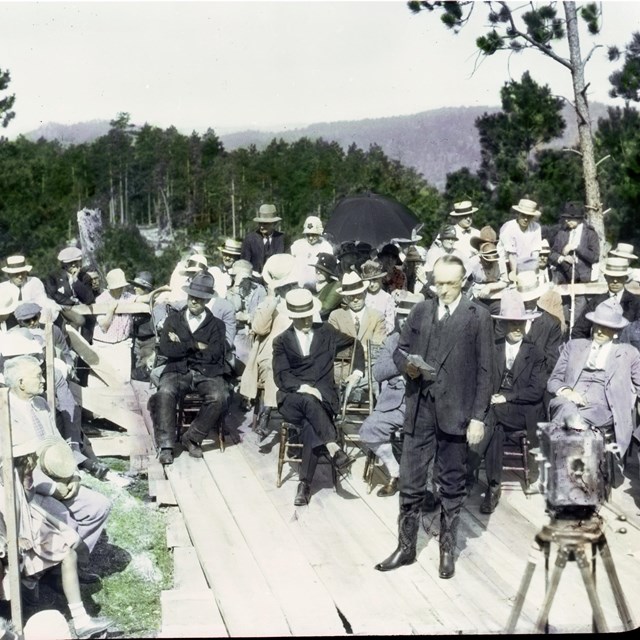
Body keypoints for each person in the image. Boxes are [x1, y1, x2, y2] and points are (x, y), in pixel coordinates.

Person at [375, 255, 493, 579]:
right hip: (419, 410)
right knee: (411, 481)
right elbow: (399, 349)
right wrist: (407, 366)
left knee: (452, 484)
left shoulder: (478, 317)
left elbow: (487, 371)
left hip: (457, 414)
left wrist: (479, 417)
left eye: (449, 284)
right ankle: (406, 547)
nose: (442, 290)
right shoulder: (421, 310)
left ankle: (446, 550)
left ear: (463, 283)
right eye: (437, 283)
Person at [4, 355, 112, 575]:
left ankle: (69, 569)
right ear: (21, 382)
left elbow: (59, 444)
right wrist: (54, 488)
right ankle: (54, 567)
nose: (44, 380)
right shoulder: (4, 412)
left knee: (99, 506)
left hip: (58, 477)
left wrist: (73, 475)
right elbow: (20, 466)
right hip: (26, 489)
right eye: (38, 376)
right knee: (64, 516)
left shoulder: (40, 404)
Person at [0, 432, 113, 639]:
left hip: (23, 517)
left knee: (67, 552)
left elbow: (24, 498)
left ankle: (81, 621)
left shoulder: (18, 465)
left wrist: (26, 477)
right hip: (4, 527)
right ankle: (5, 624)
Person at [272, 288, 364, 506]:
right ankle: (333, 447)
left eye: (308, 316)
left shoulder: (327, 332)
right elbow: (281, 376)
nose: (306, 321)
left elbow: (355, 344)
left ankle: (304, 485)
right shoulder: (282, 341)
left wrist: (357, 372)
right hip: (293, 398)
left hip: (324, 399)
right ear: (292, 316)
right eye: (301, 317)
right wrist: (303, 387)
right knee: (308, 400)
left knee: (311, 424)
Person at [470, 290, 547, 513]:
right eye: (512, 323)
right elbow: (481, 377)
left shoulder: (535, 353)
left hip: (523, 410)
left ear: (526, 325)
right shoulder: (493, 348)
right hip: (495, 406)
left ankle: (469, 467)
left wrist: (507, 397)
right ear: (502, 325)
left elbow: (536, 390)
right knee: (496, 431)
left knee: (490, 418)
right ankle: (493, 488)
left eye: (520, 324)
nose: (516, 328)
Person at [547, 297, 640, 475]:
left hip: (603, 407)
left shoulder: (628, 354)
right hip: (568, 401)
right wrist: (567, 391)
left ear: (616, 330)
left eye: (606, 326)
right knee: (569, 409)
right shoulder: (574, 346)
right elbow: (554, 380)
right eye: (597, 325)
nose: (600, 330)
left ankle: (558, 452)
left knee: (571, 417)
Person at [150, 272, 229, 465]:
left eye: (200, 299)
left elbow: (215, 354)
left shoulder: (217, 325)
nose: (195, 301)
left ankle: (192, 437)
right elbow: (167, 349)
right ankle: (167, 445)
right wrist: (195, 345)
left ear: (206, 301)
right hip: (177, 369)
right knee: (165, 392)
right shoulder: (173, 320)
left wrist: (183, 344)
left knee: (220, 396)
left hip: (206, 372)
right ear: (187, 296)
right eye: (192, 296)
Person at [358, 291, 422, 498]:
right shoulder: (392, 340)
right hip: (393, 404)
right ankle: (395, 473)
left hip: (422, 404)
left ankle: (424, 484)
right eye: (401, 316)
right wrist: (403, 363)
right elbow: (378, 372)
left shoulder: (431, 340)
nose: (405, 322)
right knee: (368, 429)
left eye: (409, 317)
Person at [239, 254, 299, 440]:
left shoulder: (302, 298)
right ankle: (265, 415)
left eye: (288, 285)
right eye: (282, 286)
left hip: (298, 353)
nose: (286, 289)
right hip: (271, 353)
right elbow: (258, 328)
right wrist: (272, 300)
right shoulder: (270, 303)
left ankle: (292, 423)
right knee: (275, 366)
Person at [328, 271, 386, 387]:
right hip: (341, 369)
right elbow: (332, 347)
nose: (355, 300)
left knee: (378, 382)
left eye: (358, 295)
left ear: (365, 293)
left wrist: (350, 351)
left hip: (369, 369)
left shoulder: (377, 316)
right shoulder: (336, 316)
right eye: (350, 296)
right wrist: (362, 348)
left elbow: (377, 350)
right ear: (344, 298)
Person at [571, 256, 640, 339]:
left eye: (619, 277)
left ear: (626, 278)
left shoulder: (636, 303)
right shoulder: (596, 301)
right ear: (606, 278)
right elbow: (578, 330)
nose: (615, 281)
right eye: (612, 277)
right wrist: (589, 348)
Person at [91, 268, 136, 385]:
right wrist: (110, 310)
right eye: (118, 286)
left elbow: (142, 299)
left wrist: (159, 293)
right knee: (102, 380)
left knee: (123, 380)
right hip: (104, 345)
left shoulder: (126, 296)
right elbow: (104, 326)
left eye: (122, 286)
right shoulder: (102, 299)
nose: (121, 288)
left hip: (121, 344)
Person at [44, 247, 93, 338]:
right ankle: (66, 341)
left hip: (82, 310)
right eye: (70, 263)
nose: (74, 265)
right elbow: (53, 294)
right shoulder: (53, 276)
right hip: (61, 307)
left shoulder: (85, 277)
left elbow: (89, 299)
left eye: (76, 262)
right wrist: (72, 303)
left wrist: (76, 281)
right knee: (79, 320)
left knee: (85, 322)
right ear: (64, 264)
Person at [548, 201, 600, 285]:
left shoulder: (590, 234)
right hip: (563, 280)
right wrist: (562, 258)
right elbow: (551, 254)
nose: (566, 220)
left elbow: (594, 257)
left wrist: (576, 247)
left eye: (570, 218)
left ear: (579, 218)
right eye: (565, 218)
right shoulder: (562, 233)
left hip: (583, 280)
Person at [0, 255, 59, 325]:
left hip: (34, 318)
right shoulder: (3, 287)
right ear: (9, 274)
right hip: (12, 322)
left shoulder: (34, 282)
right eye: (16, 274)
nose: (20, 276)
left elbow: (42, 302)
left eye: (22, 272)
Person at [498, 198, 543, 278]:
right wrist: (515, 276)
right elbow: (512, 255)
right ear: (518, 214)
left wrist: (532, 274)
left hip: (526, 265)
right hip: (506, 265)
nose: (526, 219)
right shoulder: (508, 228)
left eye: (529, 216)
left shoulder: (536, 227)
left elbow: (535, 254)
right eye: (523, 215)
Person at [290, 215, 334, 288]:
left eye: (314, 235)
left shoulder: (325, 246)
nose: (310, 238)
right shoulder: (298, 245)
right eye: (308, 235)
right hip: (298, 285)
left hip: (318, 286)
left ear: (319, 233)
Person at [241, 204, 286, 273]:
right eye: (260, 223)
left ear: (274, 223)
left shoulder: (282, 239)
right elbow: (244, 264)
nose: (262, 227)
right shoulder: (250, 239)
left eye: (265, 224)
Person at [361, 259, 396, 335]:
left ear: (381, 279)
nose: (372, 284)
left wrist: (379, 333)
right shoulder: (362, 295)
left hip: (380, 335)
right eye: (369, 281)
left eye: (375, 280)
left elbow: (390, 323)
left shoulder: (387, 298)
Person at [310, 253, 342, 321]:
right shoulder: (309, 286)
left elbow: (324, 308)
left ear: (329, 273)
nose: (318, 272)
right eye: (317, 268)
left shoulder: (335, 285)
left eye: (322, 270)